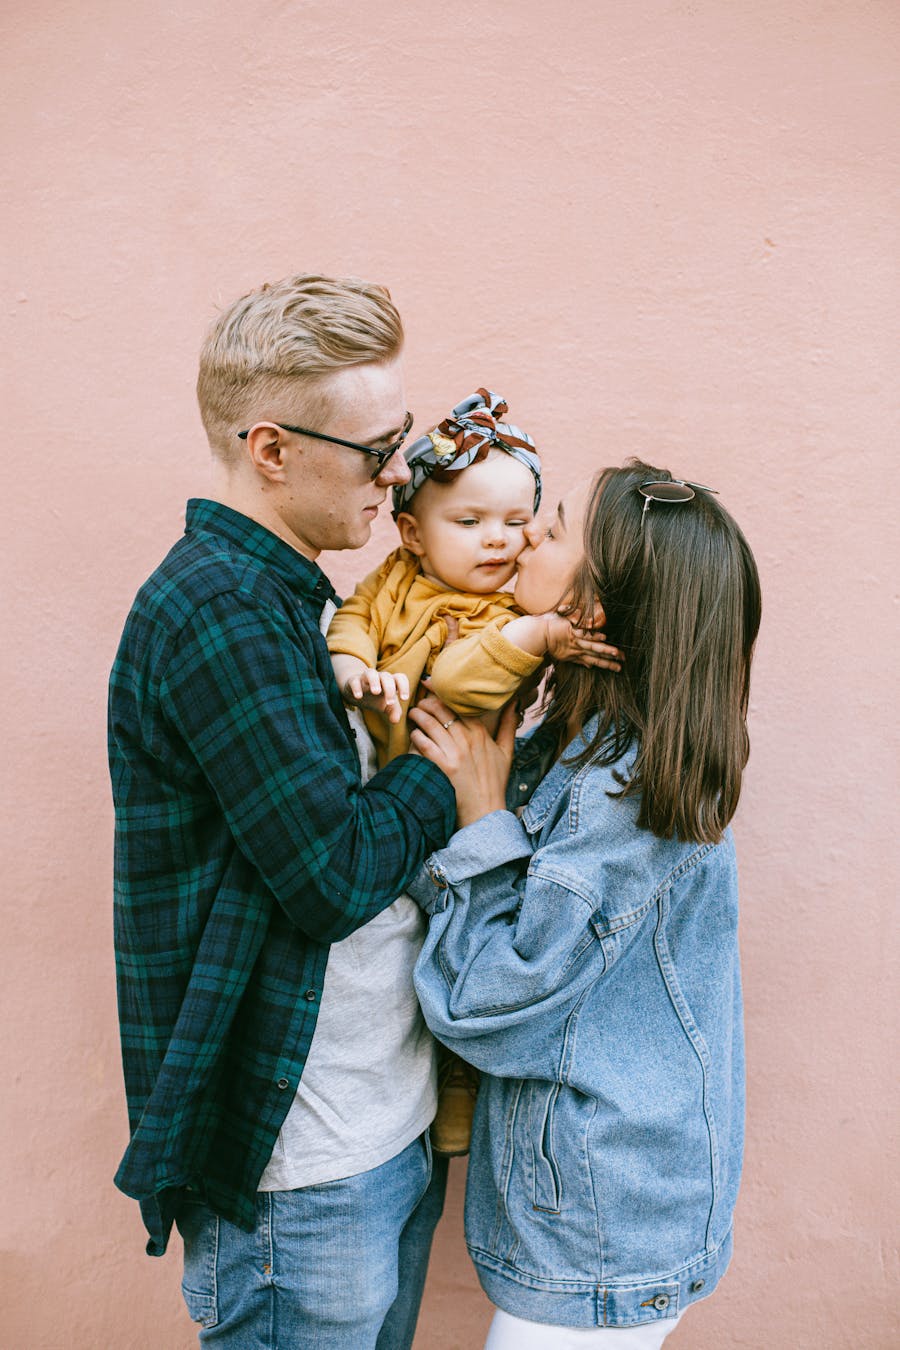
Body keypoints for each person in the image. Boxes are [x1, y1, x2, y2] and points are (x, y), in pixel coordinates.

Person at [108, 273, 461, 1349]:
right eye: (375, 451)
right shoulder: (220, 612)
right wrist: (453, 756)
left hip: (377, 1135)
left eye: (403, 440)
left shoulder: (305, 600)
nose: (399, 475)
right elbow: (335, 879)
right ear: (271, 449)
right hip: (301, 1178)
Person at [406, 461, 762, 1348]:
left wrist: (483, 819)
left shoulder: (620, 796)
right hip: (607, 1205)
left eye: (556, 529)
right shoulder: (579, 746)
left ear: (595, 613)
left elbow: (492, 1001)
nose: (527, 534)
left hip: (603, 1225)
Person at [326, 389, 622, 1155]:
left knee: (455, 941)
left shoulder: (506, 618)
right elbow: (355, 613)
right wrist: (351, 661)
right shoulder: (395, 577)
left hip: (449, 810)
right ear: (412, 535)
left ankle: (456, 1092)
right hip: (384, 799)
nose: (504, 544)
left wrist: (535, 634)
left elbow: (459, 682)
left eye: (522, 524)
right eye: (470, 523)